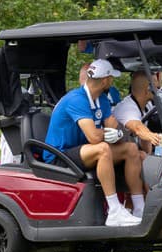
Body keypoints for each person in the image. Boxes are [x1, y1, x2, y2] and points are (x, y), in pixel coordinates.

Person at [43, 59, 145, 226]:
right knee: (103, 149)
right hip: (59, 156)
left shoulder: (102, 100)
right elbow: (94, 137)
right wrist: (108, 133)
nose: (113, 81)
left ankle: (140, 208)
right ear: (105, 80)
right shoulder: (76, 99)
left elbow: (114, 127)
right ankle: (114, 211)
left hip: (82, 151)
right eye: (112, 77)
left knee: (131, 149)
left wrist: (118, 133)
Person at [113, 71, 162, 155]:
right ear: (147, 90)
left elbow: (143, 136)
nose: (158, 90)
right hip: (116, 150)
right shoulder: (127, 108)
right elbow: (137, 128)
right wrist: (152, 136)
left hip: (131, 148)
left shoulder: (147, 105)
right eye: (156, 87)